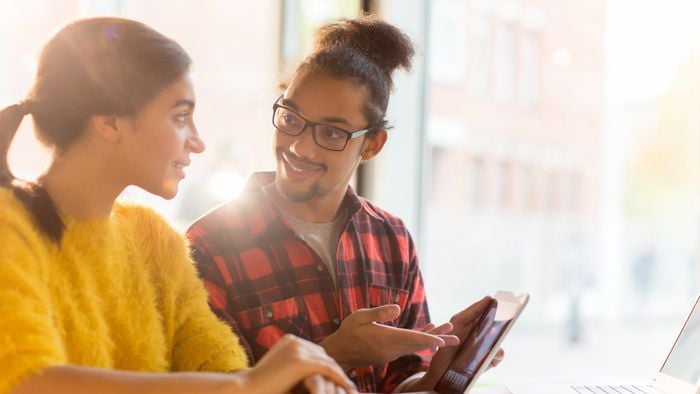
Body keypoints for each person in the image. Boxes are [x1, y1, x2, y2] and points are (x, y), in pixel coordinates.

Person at [0, 17, 356, 394]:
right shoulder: (10, 228)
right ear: (109, 121)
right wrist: (246, 385)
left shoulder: (154, 239)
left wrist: (293, 380)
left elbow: (215, 360)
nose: (198, 142)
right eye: (181, 117)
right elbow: (25, 380)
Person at [187, 16, 500, 393]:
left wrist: (438, 374)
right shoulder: (208, 246)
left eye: (332, 132)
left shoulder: (391, 238)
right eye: (291, 118)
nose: (299, 146)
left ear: (371, 145)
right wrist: (334, 354)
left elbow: (401, 382)